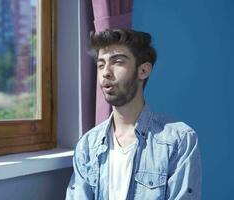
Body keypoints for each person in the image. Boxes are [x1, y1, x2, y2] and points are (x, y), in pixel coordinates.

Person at [65, 29, 201, 200]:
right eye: (101, 65)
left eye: (118, 62)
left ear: (143, 71)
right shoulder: (87, 146)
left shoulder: (179, 140)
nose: (106, 72)